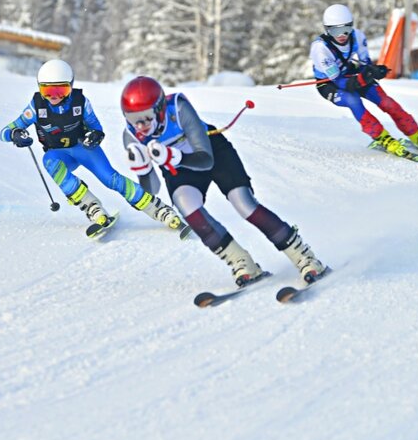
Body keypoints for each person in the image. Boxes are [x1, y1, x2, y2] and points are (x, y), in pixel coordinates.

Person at [120, 76, 327, 287]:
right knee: (188, 207)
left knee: (243, 203)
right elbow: (151, 190)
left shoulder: (179, 109)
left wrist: (173, 156)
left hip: (212, 152)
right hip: (179, 168)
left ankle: (304, 256)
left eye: (146, 117)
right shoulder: (131, 137)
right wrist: (143, 170)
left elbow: (205, 159)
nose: (140, 125)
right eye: (132, 117)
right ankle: (241, 262)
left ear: (160, 108)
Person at [1, 59, 187, 237]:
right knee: (49, 161)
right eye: (47, 91)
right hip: (59, 154)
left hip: (84, 149)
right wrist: (16, 134)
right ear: (39, 88)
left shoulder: (80, 102)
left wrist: (95, 136)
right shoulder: (36, 106)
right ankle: (92, 207)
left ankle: (158, 209)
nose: (54, 97)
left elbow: (96, 128)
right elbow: (5, 131)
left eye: (61, 90)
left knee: (111, 179)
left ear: (71, 87)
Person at [310, 3, 418, 157]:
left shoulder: (357, 37)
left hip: (349, 73)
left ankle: (417, 135)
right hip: (329, 83)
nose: (341, 35)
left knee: (386, 101)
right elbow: (340, 82)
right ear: (327, 30)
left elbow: (365, 65)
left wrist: (373, 70)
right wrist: (362, 78)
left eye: (345, 29)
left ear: (351, 26)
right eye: (335, 30)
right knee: (353, 99)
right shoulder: (320, 49)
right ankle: (383, 138)